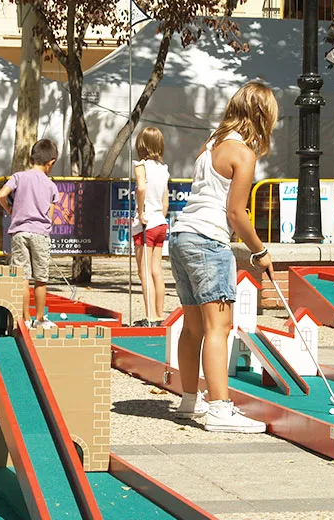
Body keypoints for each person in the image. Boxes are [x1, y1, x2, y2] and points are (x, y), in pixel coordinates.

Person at [168, 81, 276, 434]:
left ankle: (189, 400)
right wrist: (260, 251)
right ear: (262, 115)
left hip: (182, 235)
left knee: (193, 326)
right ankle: (219, 408)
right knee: (219, 328)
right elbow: (236, 213)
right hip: (207, 241)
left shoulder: (210, 144)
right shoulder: (243, 153)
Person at [0, 139, 60, 329]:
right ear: (51, 162)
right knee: (40, 279)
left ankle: (24, 319)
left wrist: (10, 209)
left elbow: (1, 194)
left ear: (31, 158)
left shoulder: (18, 177)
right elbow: (50, 214)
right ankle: (40, 318)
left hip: (19, 231)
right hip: (40, 233)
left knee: (22, 276)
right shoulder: (51, 185)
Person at [131, 127, 170, 327]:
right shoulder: (164, 169)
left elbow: (141, 188)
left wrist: (140, 212)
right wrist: (160, 215)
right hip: (160, 223)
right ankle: (159, 314)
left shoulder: (141, 166)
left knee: (144, 271)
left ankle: (150, 316)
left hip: (145, 224)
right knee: (156, 270)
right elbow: (166, 200)